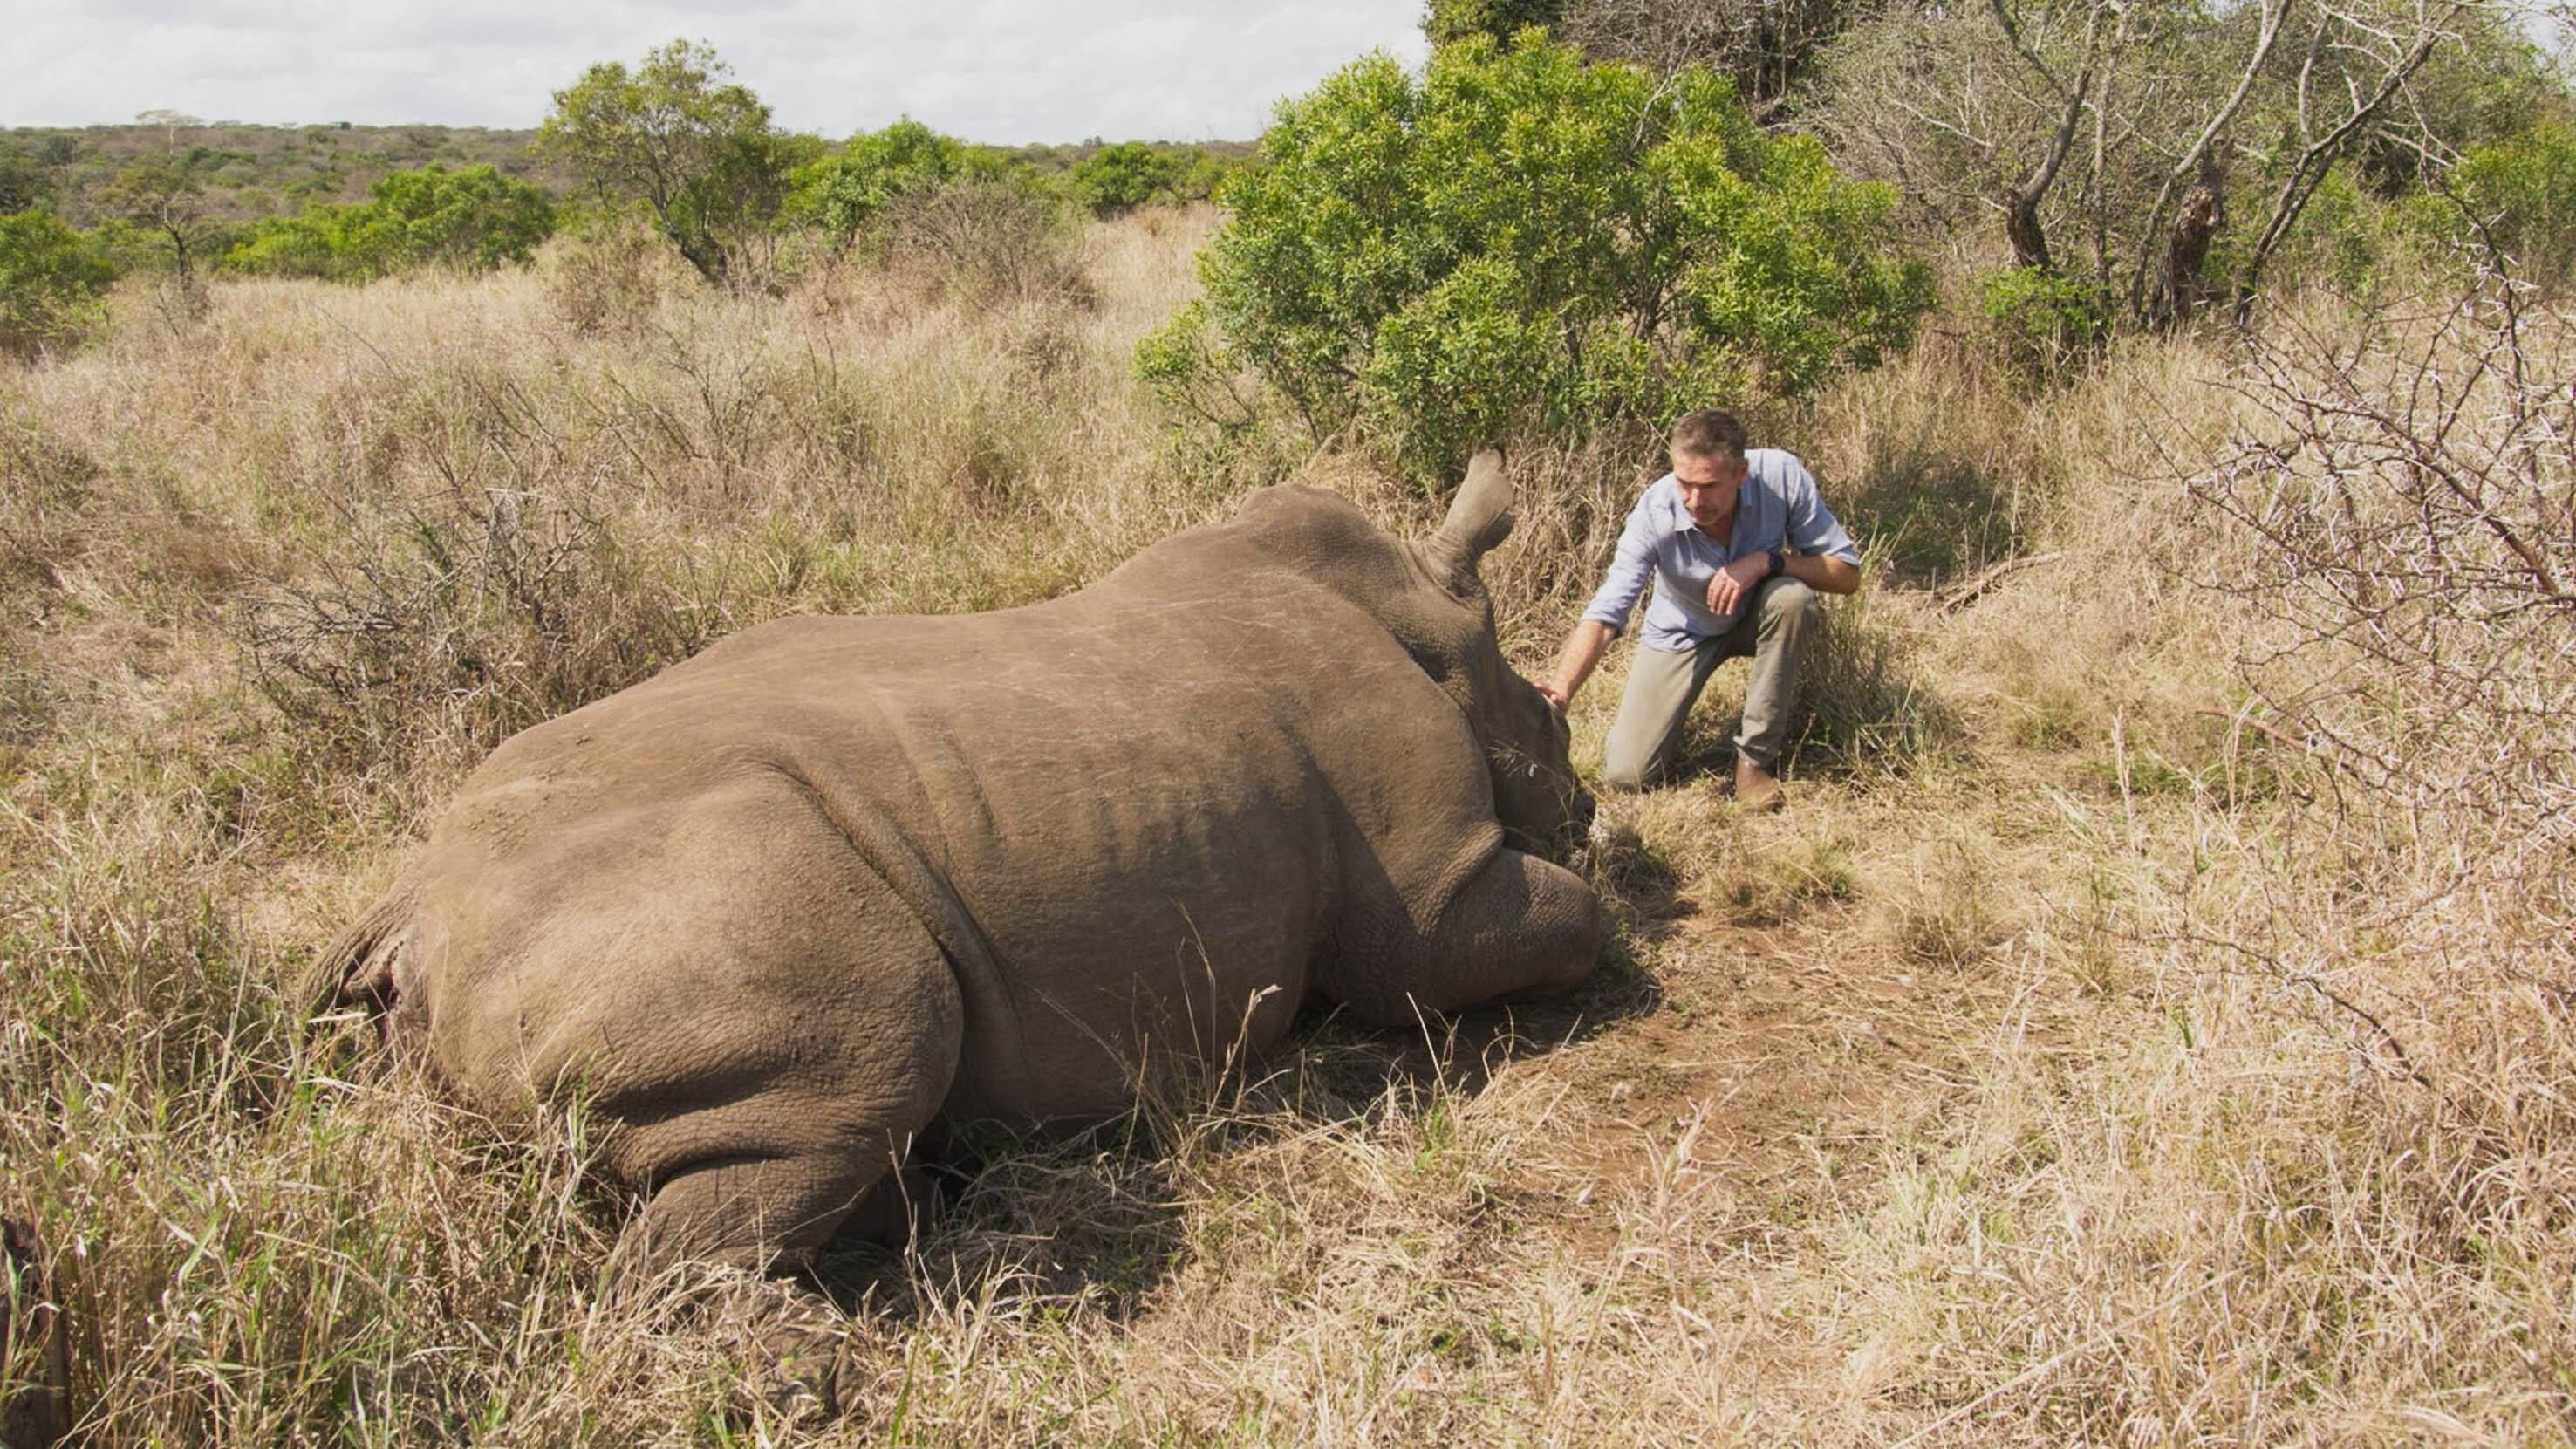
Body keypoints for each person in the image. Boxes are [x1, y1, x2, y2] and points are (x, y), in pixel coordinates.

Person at [1538, 409, 1862, 810]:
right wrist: (1561, 690)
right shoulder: (1654, 512)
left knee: (1793, 599)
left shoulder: (1781, 476)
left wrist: (1767, 561)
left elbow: (1847, 575)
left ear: (1741, 474)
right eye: (1684, 483)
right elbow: (1608, 610)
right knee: (1626, 774)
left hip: (1757, 614)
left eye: (1708, 486)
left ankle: (1753, 762)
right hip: (1683, 630)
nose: (1694, 500)